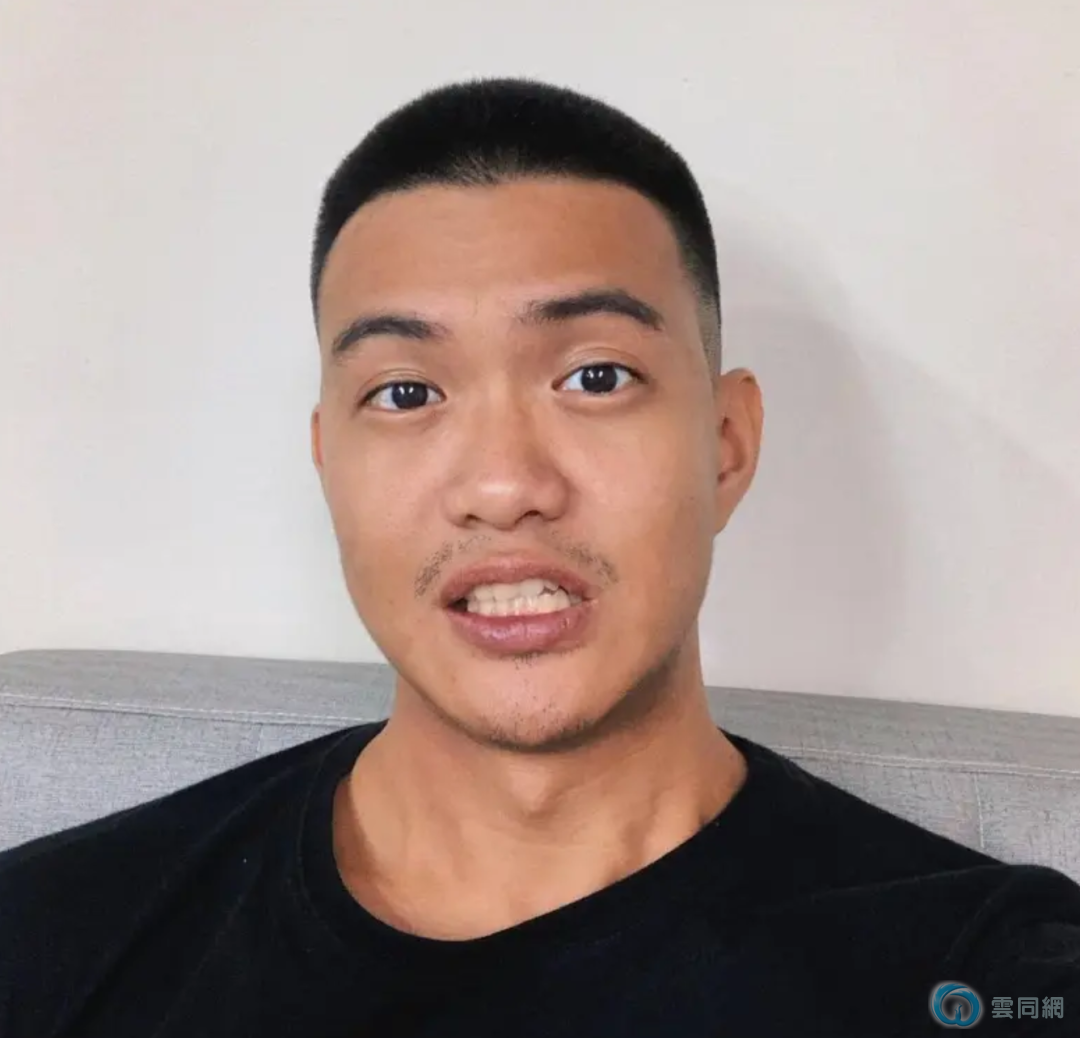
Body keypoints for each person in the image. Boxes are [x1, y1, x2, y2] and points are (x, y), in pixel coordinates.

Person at [1, 77, 1077, 1038]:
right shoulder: (48, 937)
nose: (504, 484)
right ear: (329, 463)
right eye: (406, 392)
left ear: (725, 445)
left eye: (595, 377)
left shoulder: (983, 970)